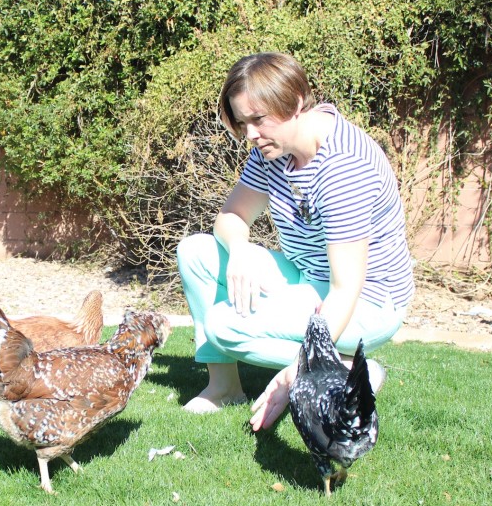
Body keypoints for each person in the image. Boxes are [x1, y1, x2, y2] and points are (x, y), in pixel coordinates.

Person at [177, 52, 413, 431]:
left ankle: (349, 372)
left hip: (367, 302)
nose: (250, 134)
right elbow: (231, 217)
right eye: (243, 122)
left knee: (224, 324)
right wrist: (240, 250)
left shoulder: (345, 167)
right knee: (196, 252)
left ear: (297, 103)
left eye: (258, 119)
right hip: (308, 278)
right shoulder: (271, 151)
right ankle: (224, 388)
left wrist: (301, 369)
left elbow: (344, 288)